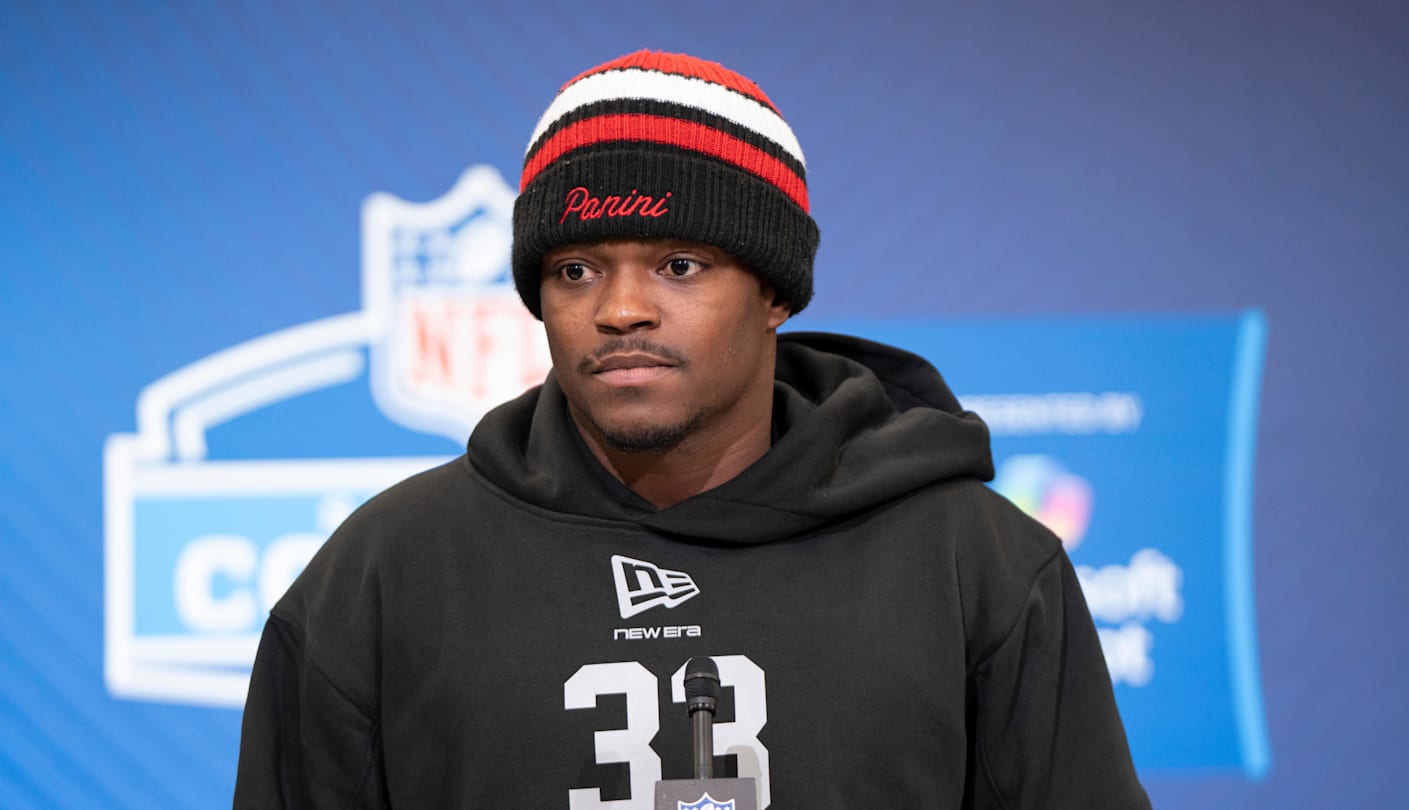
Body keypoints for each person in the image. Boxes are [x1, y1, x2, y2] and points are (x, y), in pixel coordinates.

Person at [235, 50, 1151, 809]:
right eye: (576, 270)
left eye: (679, 263)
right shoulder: (381, 575)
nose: (621, 309)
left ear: (775, 290)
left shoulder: (973, 563)